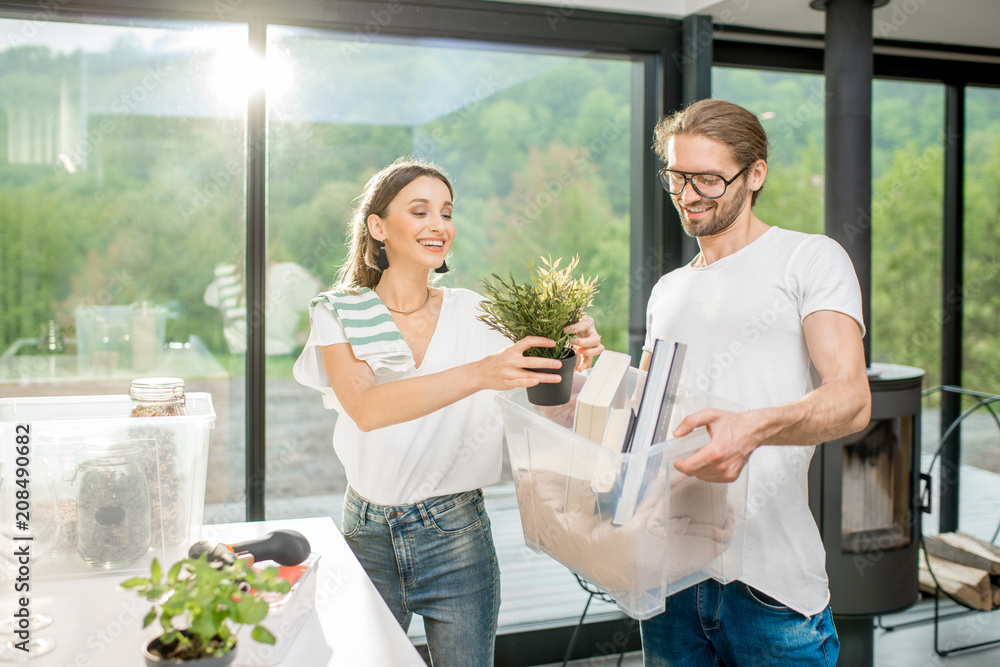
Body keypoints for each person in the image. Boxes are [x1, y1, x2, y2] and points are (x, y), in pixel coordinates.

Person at [292, 157, 603, 666]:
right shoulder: (339, 311)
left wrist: (580, 344)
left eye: (446, 212)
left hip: (456, 535)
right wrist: (482, 372)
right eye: (419, 211)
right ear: (377, 226)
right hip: (365, 532)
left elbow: (551, 385)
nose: (438, 225)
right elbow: (367, 409)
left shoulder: (475, 313)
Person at [638, 99, 872, 666]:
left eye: (709, 180)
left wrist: (753, 427)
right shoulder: (667, 290)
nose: (688, 195)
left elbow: (852, 400)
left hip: (771, 588)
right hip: (668, 578)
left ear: (755, 175)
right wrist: (591, 374)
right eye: (677, 177)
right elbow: (647, 416)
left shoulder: (810, 259)